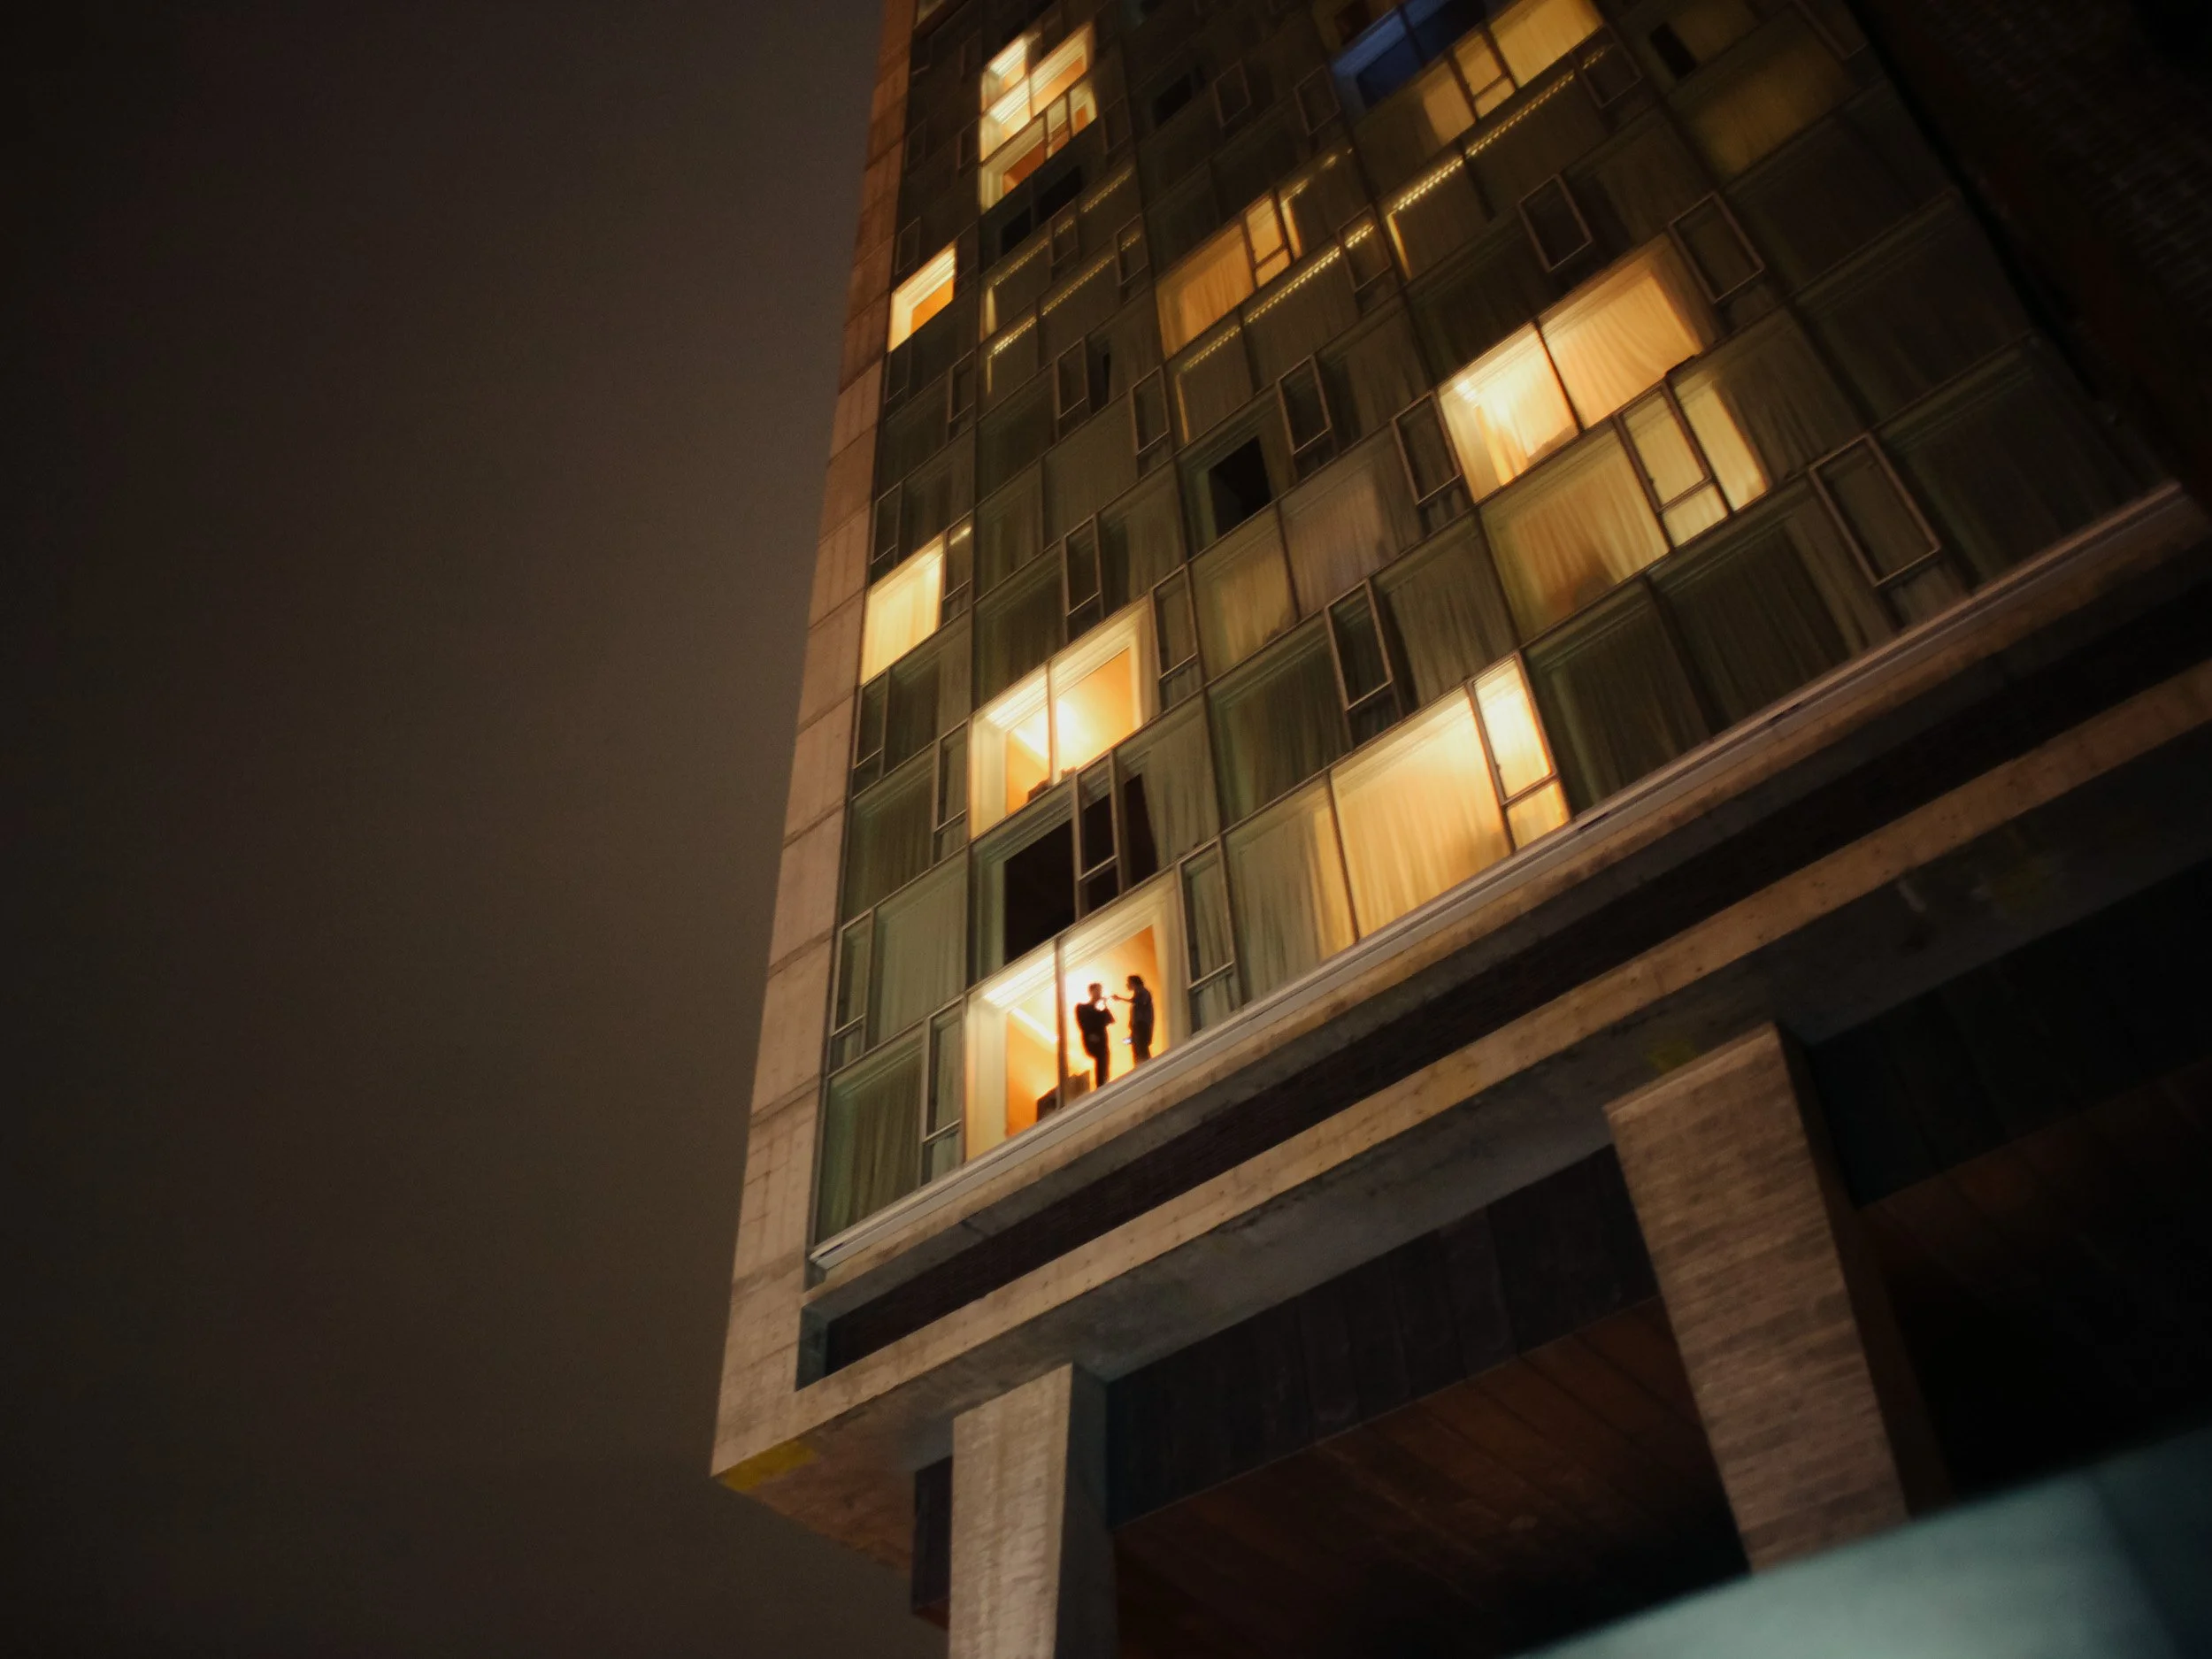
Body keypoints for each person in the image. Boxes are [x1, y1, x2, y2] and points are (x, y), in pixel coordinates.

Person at [1072, 982, 1114, 1089]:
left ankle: (1104, 1083)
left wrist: (1104, 1004)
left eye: (1100, 991)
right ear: (1091, 992)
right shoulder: (1082, 1008)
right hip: (1093, 1041)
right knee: (1101, 1058)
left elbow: (1111, 1020)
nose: (1099, 993)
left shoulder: (1099, 1012)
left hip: (1102, 1041)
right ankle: (1101, 1085)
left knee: (1104, 1061)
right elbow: (1083, 1023)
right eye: (1097, 991)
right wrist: (1090, 1035)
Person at [1116, 973, 1155, 1064]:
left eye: (1128, 983)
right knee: (1137, 1050)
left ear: (1133, 983)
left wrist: (1120, 998)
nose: (1127, 985)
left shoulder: (1143, 992)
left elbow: (1138, 1002)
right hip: (1138, 1027)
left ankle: (1146, 1066)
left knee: (1142, 1050)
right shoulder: (1139, 994)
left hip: (1142, 1026)